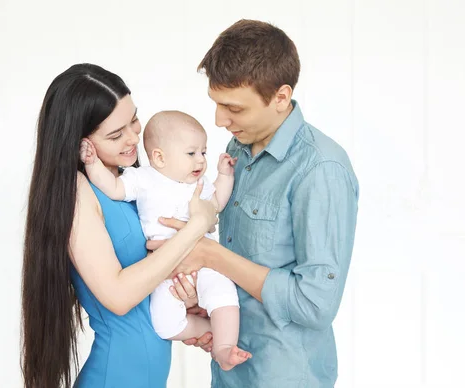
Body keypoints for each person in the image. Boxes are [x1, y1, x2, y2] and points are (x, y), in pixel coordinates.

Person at [148, 19, 360, 388]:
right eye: (216, 104)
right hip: (230, 368)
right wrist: (202, 298)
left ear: (280, 97)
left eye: (234, 108)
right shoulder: (237, 151)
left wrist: (208, 256)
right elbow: (245, 261)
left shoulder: (321, 169)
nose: (218, 120)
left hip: (285, 375)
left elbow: (315, 304)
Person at [21, 64, 218, 388]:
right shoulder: (77, 190)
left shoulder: (132, 184)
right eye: (115, 134)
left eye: (133, 121)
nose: (132, 139)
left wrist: (187, 300)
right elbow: (118, 295)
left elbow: (148, 281)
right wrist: (197, 226)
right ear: (79, 142)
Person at [79, 110, 251, 370]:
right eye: (191, 153)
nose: (200, 161)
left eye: (203, 153)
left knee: (224, 295)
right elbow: (113, 188)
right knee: (164, 324)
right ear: (159, 157)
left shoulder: (201, 183)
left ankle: (224, 347)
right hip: (165, 273)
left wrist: (225, 177)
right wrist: (92, 165)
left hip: (205, 264)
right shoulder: (143, 179)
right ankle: (209, 329)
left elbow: (216, 204)